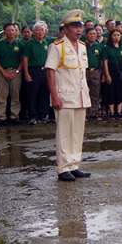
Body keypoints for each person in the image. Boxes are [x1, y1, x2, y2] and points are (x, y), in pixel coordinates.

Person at [46, 10, 92, 182]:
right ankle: (63, 168)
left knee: (78, 132)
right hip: (64, 96)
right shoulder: (57, 46)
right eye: (74, 26)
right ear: (65, 29)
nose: (78, 30)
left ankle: (74, 165)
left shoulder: (82, 47)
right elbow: (50, 72)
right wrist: (54, 96)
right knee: (64, 132)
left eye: (80, 26)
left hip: (80, 96)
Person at [0, 23, 24, 125]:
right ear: (4, 32)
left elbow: (24, 60)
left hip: (16, 72)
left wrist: (17, 72)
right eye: (8, 30)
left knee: (15, 95)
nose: (11, 32)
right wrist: (3, 72)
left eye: (13, 30)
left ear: (16, 32)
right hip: (2, 72)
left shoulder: (21, 44)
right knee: (2, 95)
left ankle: (14, 116)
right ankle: (2, 117)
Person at [22, 21, 52, 124]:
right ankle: (32, 116)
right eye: (38, 30)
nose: (40, 32)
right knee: (32, 94)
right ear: (33, 32)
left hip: (45, 71)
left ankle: (43, 115)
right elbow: (25, 59)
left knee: (44, 93)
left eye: (42, 30)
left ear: (45, 32)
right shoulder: (29, 44)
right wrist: (26, 73)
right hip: (33, 71)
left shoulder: (47, 44)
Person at [101, 30, 122, 119]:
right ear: (111, 37)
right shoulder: (107, 48)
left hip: (121, 71)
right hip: (111, 70)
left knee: (121, 91)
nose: (116, 37)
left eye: (118, 35)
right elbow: (105, 62)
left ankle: (119, 111)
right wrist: (107, 75)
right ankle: (112, 112)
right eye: (114, 35)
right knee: (111, 91)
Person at [84, 28, 104, 120]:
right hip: (84, 71)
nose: (92, 35)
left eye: (94, 34)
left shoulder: (99, 46)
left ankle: (94, 112)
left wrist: (103, 74)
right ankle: (85, 113)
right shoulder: (82, 45)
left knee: (95, 93)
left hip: (96, 72)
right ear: (86, 35)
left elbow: (102, 61)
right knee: (84, 93)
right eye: (90, 34)